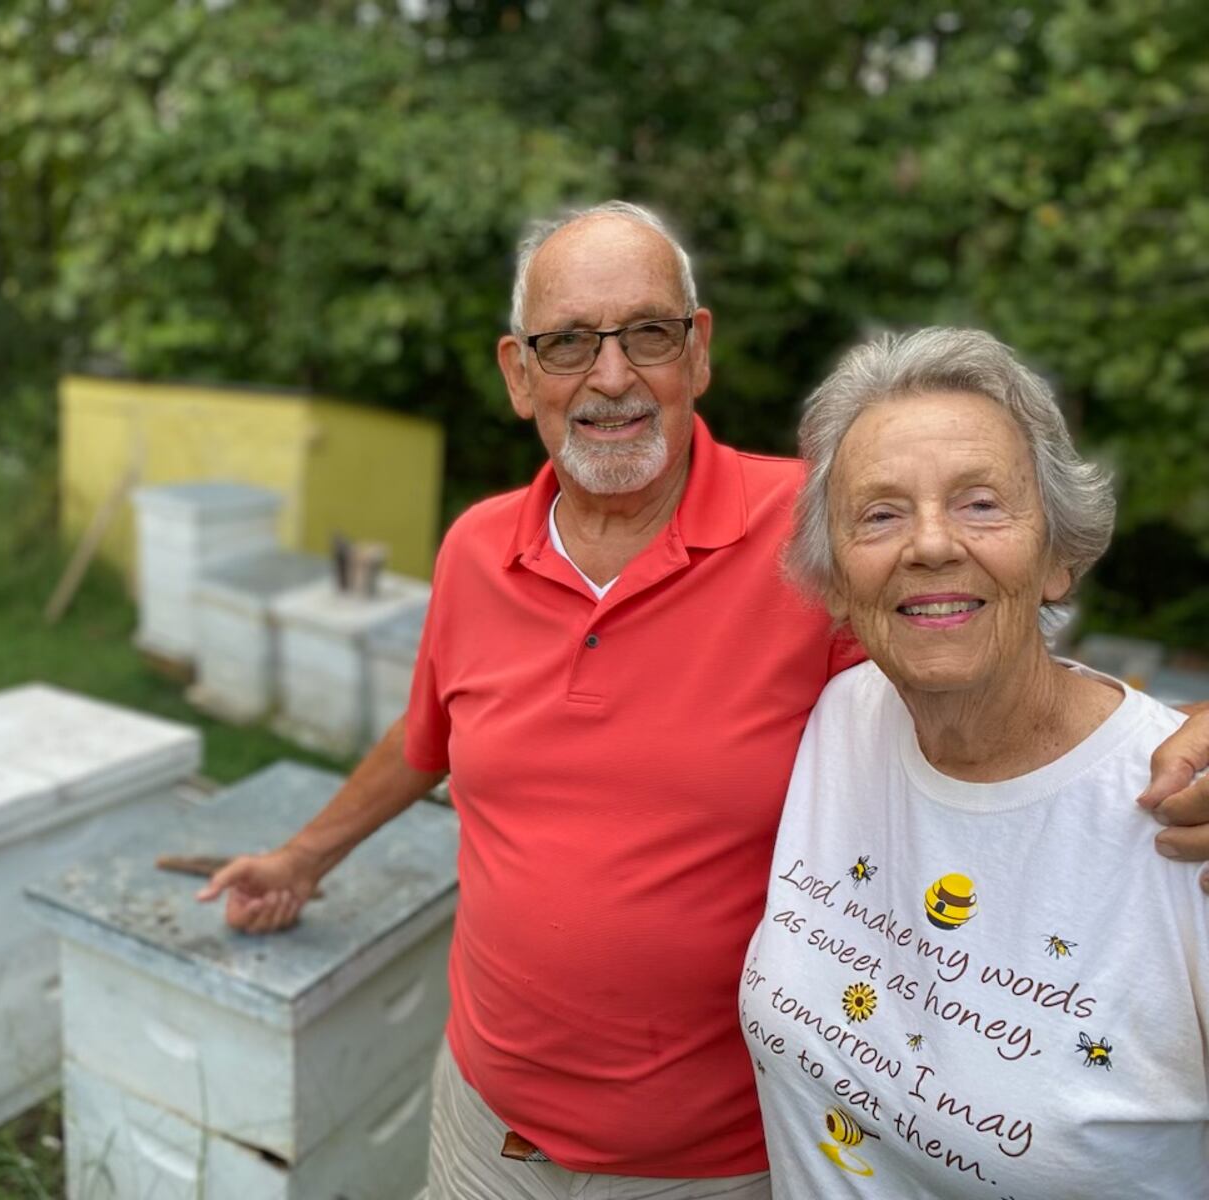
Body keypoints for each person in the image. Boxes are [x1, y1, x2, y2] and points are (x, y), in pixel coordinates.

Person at [198, 203, 1209, 1199]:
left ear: (697, 353)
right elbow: (427, 740)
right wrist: (302, 857)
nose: (609, 377)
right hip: (484, 1121)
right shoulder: (474, 548)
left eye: (647, 333)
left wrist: (1176, 735)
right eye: (565, 344)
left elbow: (980, 646)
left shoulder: (823, 537)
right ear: (517, 374)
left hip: (717, 1164)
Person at [743, 327, 1207, 1197]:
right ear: (838, 582)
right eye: (879, 513)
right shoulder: (839, 723)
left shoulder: (1185, 819)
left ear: (1060, 555)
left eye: (981, 503)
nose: (929, 545)